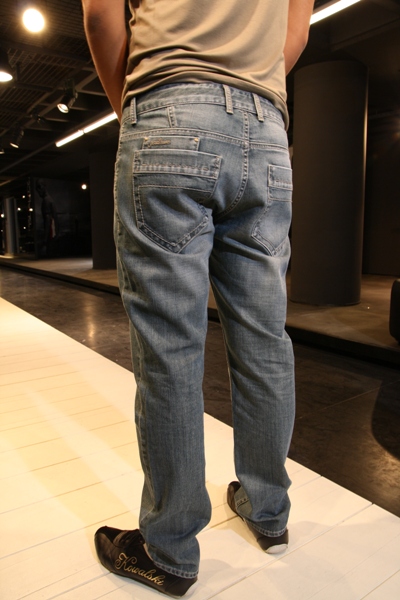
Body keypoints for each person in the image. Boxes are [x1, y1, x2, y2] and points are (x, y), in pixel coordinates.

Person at [82, 1, 314, 597]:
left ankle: (169, 549)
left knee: (170, 347)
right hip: (267, 128)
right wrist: (248, 86)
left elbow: (101, 16)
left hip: (169, 103)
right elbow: (294, 31)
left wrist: (143, 108)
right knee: (265, 342)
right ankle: (269, 511)